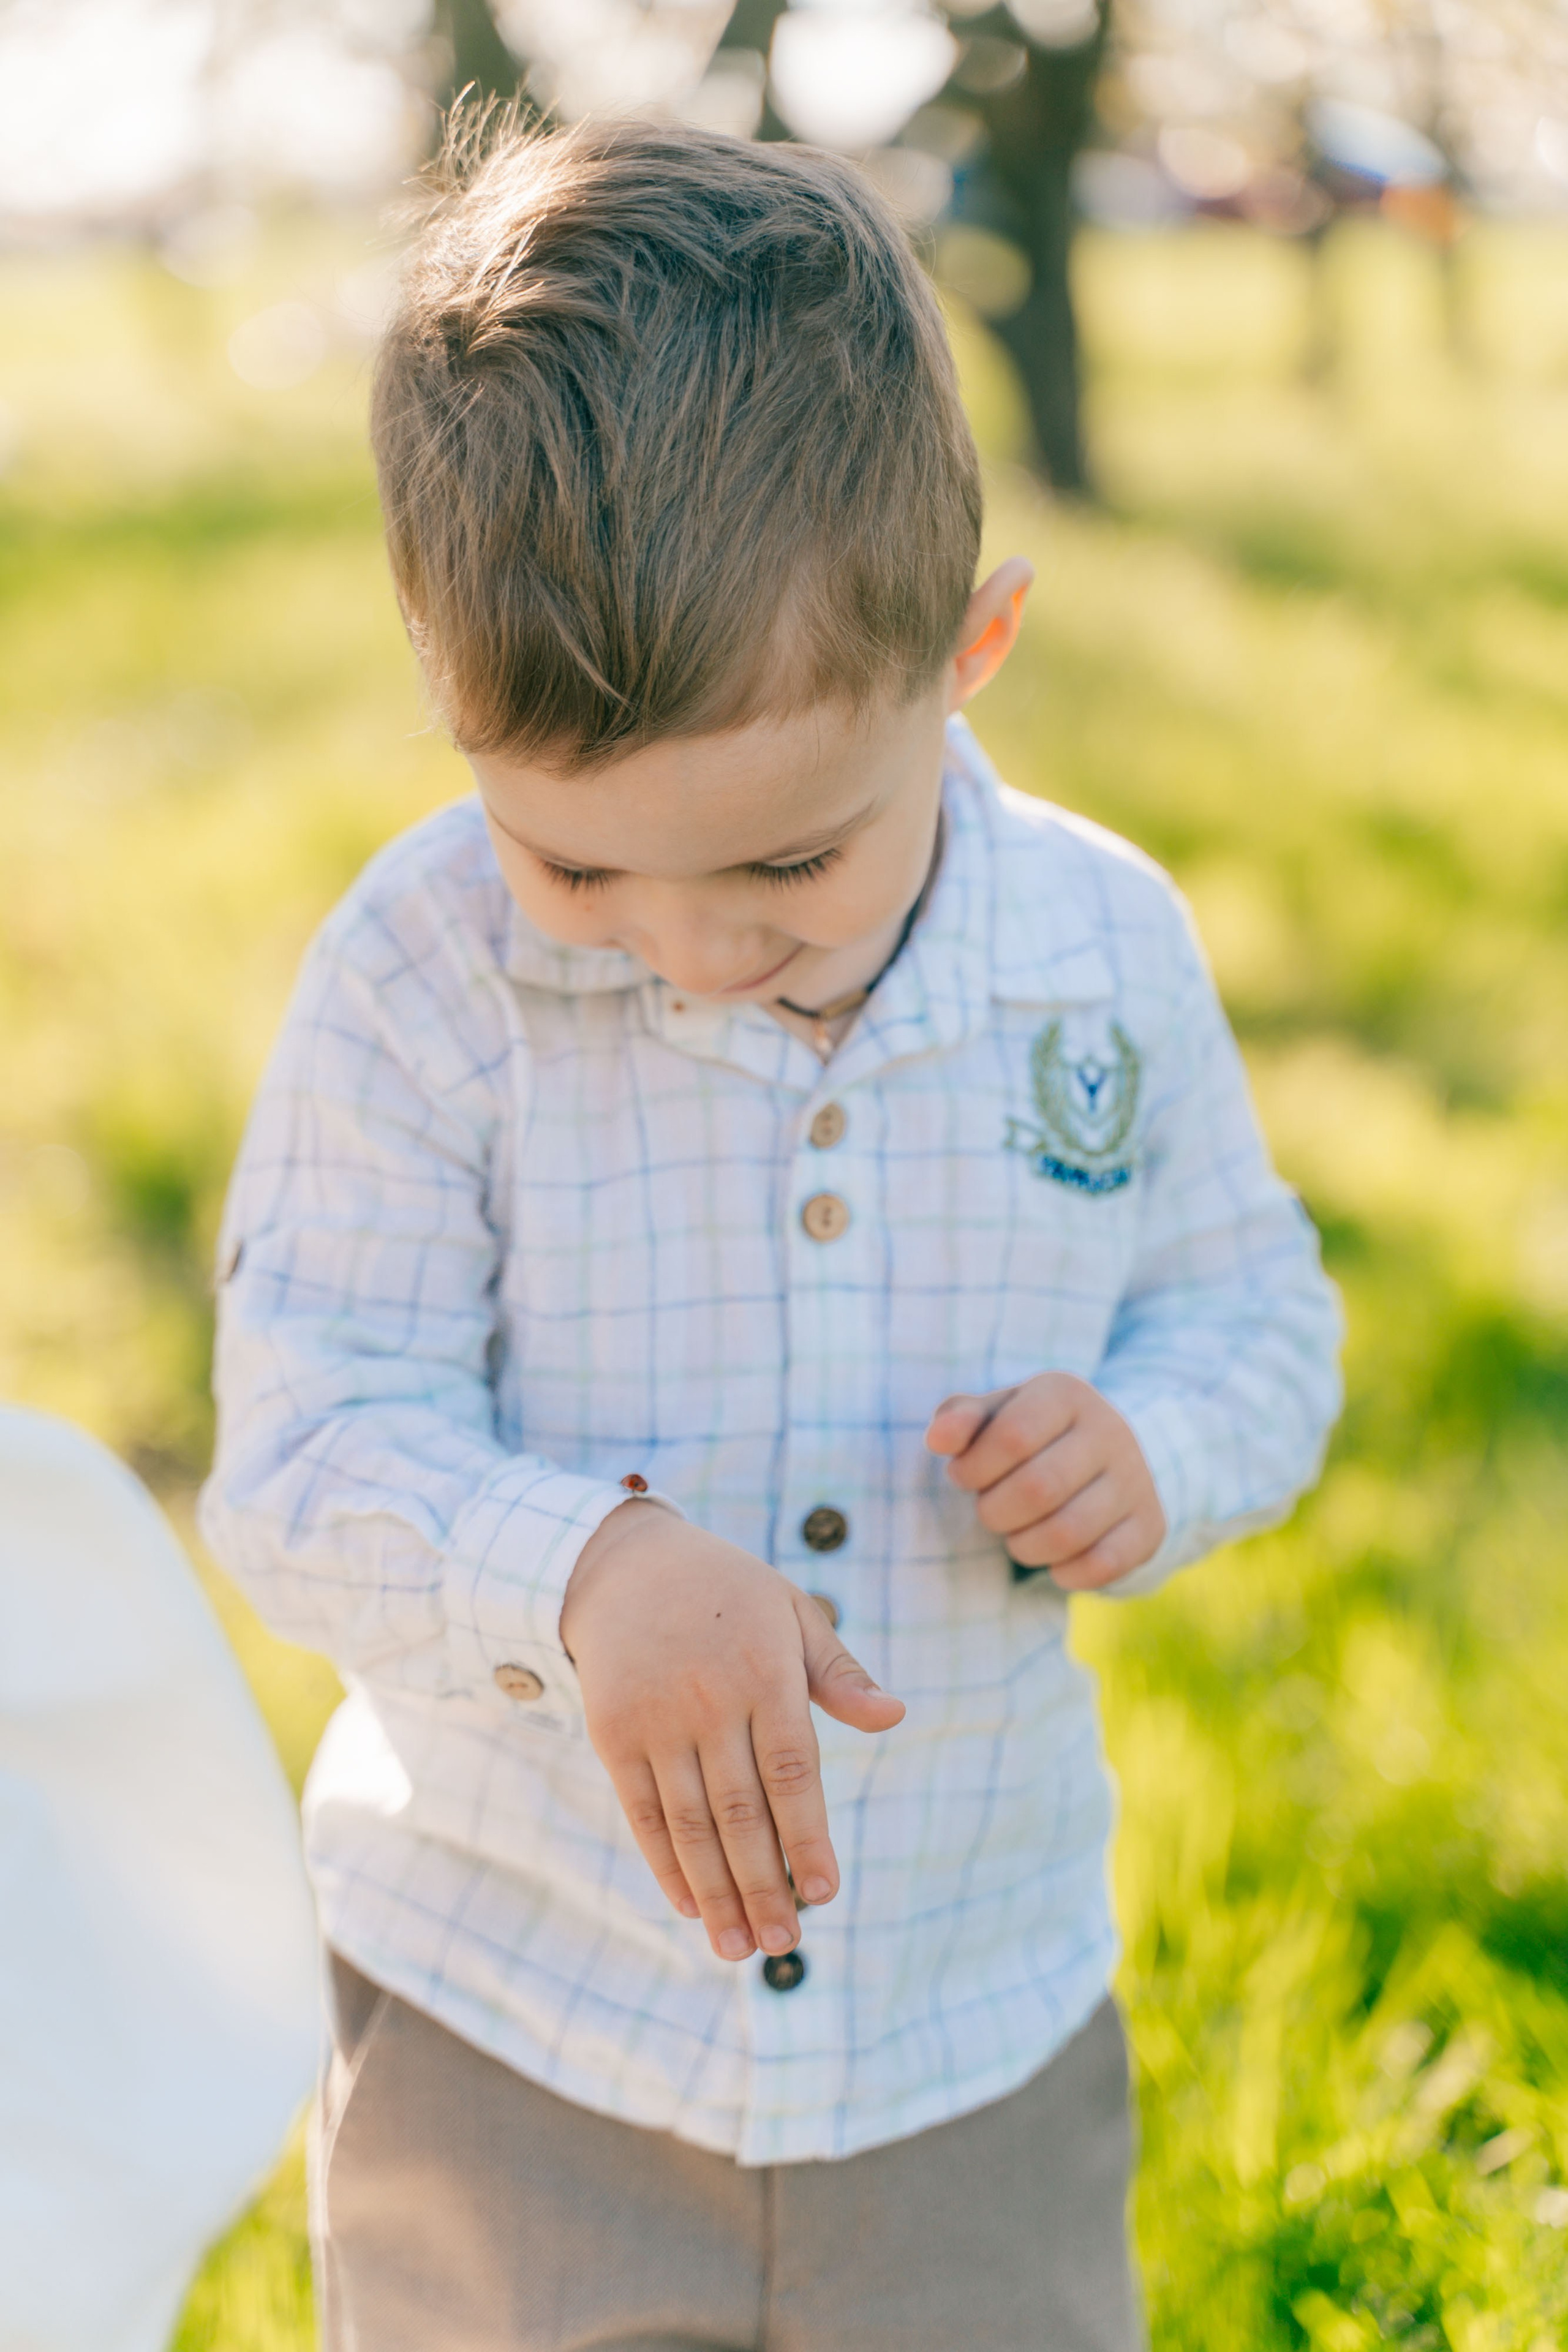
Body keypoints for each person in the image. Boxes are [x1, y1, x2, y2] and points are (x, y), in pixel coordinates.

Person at [202, 115, 1341, 2352]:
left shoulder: (1098, 954)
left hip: (967, 2044)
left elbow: (1257, 1308)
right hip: (517, 2038)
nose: (696, 950)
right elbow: (305, 1443)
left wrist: (1157, 1441)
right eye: (586, 872)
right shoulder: (427, 975)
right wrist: (579, 1572)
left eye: (789, 868)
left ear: (974, 650)